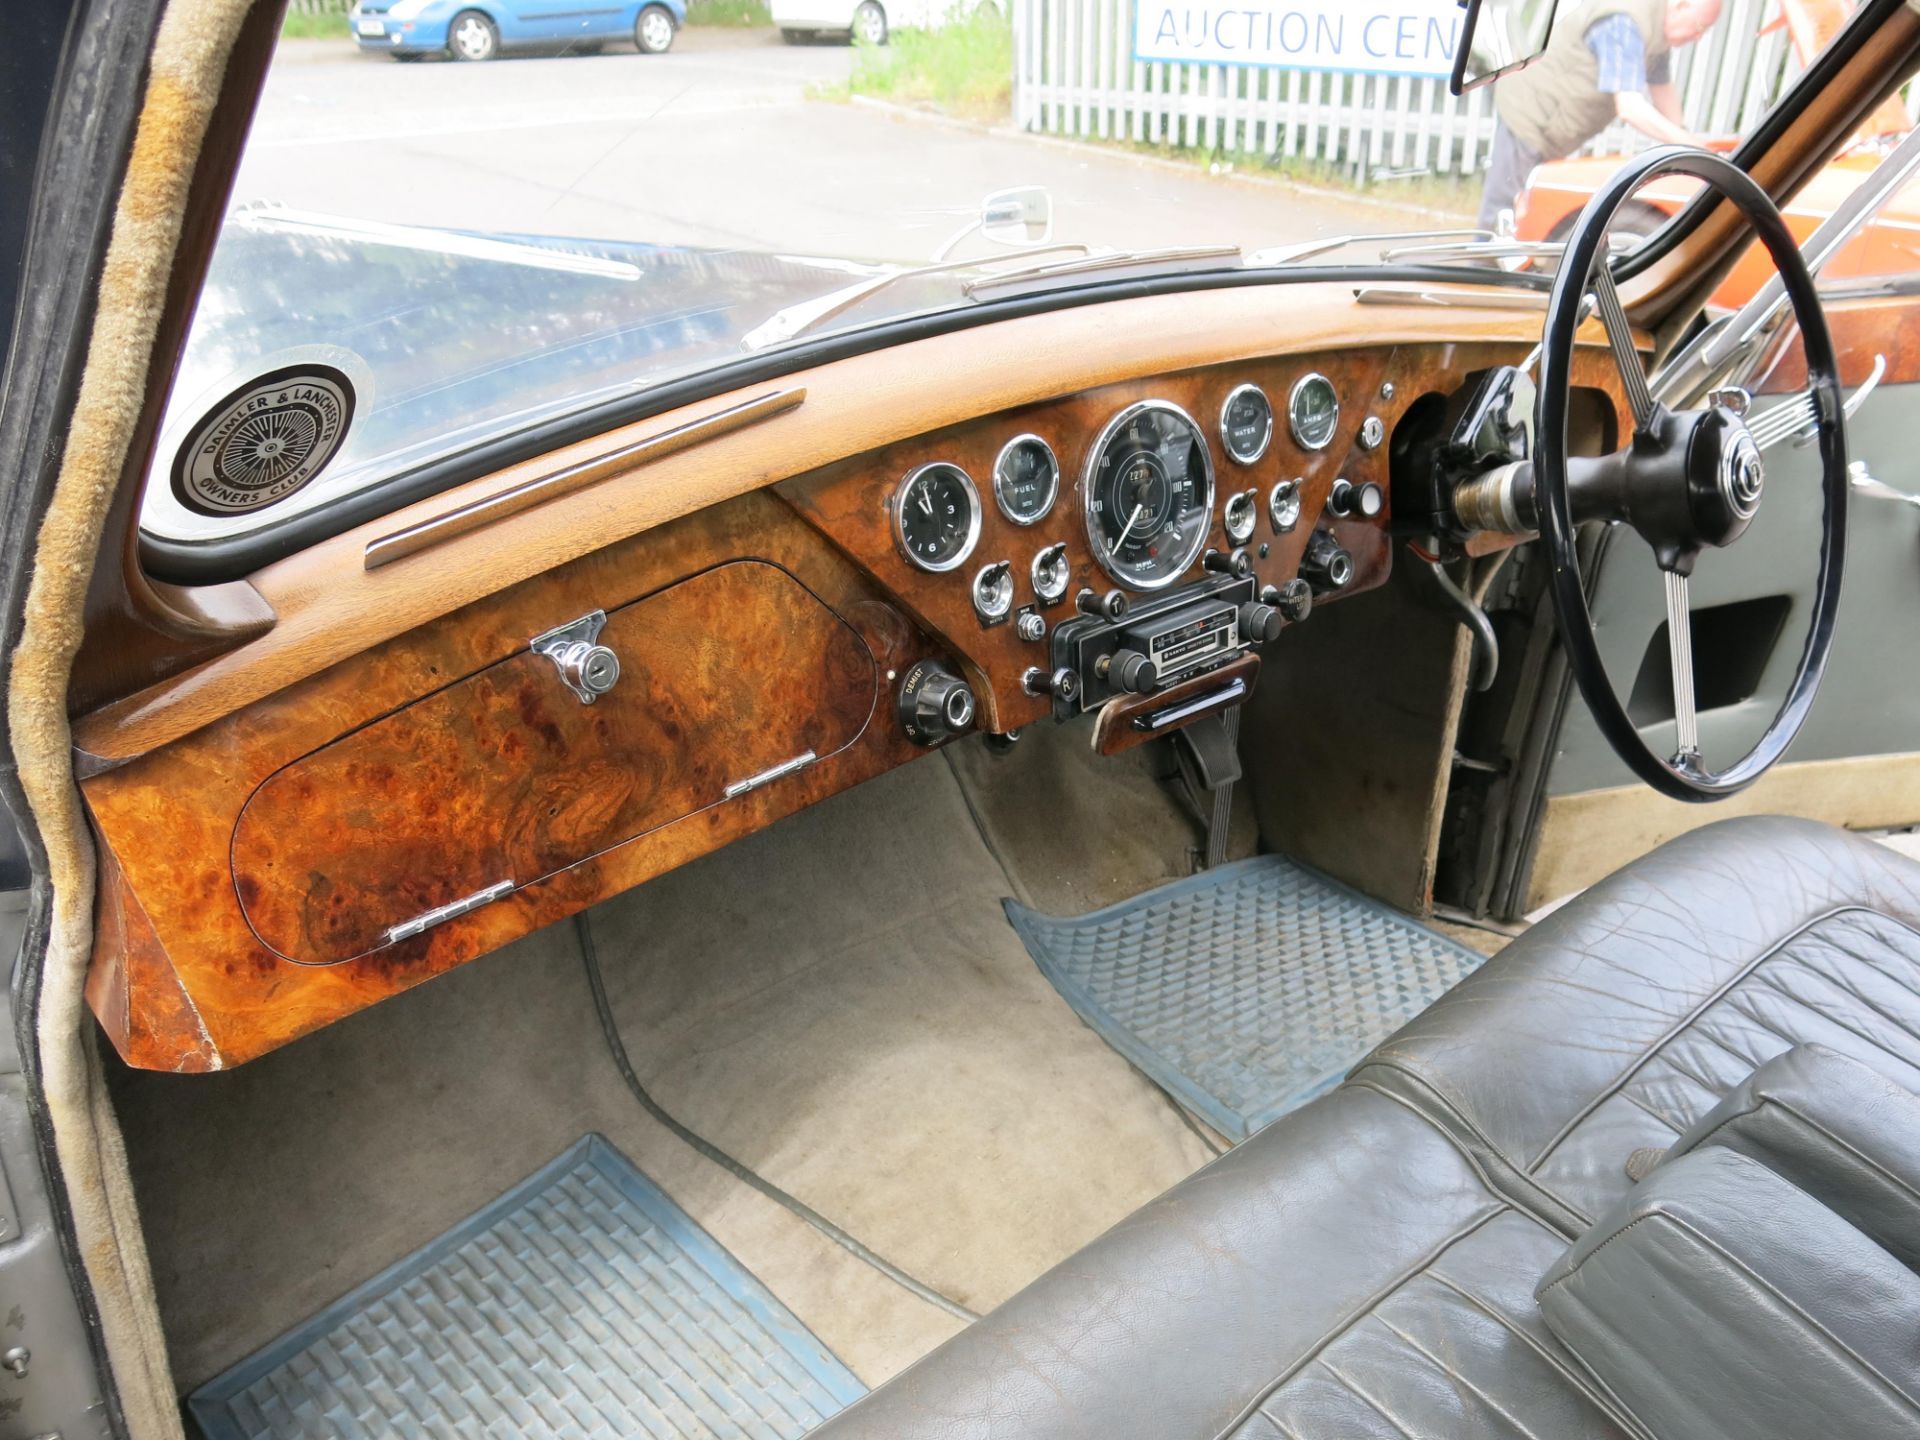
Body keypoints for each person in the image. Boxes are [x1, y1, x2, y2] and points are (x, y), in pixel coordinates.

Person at [1478, 0, 1724, 233]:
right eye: (1699, 27)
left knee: (1528, 216)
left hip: (1555, 124)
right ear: (1680, 5)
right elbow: (1629, 107)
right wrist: (1692, 146)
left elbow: (1663, 90)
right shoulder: (1623, 22)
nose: (1698, 37)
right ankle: (1477, 269)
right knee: (1502, 219)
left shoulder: (1656, 32)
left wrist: (1686, 143)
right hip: (1531, 112)